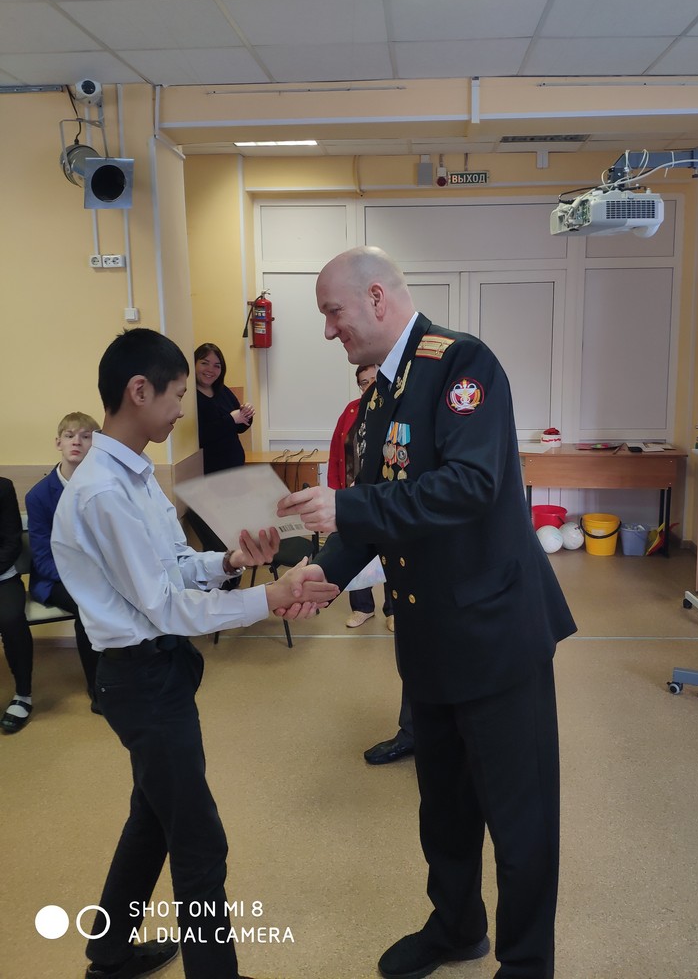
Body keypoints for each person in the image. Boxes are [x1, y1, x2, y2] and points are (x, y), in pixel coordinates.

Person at [278, 246, 576, 979]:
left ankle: (527, 963)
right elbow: (375, 514)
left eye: (333, 312)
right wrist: (321, 573)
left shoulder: (462, 365)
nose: (329, 330)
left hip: (495, 635)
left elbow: (470, 485)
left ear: (377, 298)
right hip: (431, 639)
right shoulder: (381, 396)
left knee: (519, 817)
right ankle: (456, 927)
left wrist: (347, 506)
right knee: (443, 808)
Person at [52, 328, 337, 979]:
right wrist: (268, 598)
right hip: (139, 679)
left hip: (159, 670)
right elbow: (166, 607)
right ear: (139, 390)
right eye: (178, 394)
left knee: (153, 819)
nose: (183, 408)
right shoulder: (102, 492)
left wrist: (230, 561)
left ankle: (108, 954)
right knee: (199, 842)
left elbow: (176, 565)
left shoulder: (135, 474)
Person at [25, 411, 102, 713]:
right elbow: (42, 558)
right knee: (88, 606)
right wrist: (83, 578)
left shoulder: (104, 486)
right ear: (58, 442)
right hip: (55, 579)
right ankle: (98, 688)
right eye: (70, 436)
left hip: (99, 573)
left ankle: (130, 675)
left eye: (85, 436)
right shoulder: (39, 496)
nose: (77, 442)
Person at [328, 363, 395, 630]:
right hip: (352, 494)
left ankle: (393, 608)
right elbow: (336, 450)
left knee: (391, 548)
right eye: (364, 382)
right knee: (355, 547)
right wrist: (336, 491)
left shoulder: (395, 406)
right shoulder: (351, 410)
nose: (370, 386)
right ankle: (362, 607)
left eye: (374, 380)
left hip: (384, 495)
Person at [0, 478, 33, 735]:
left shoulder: (3, 487)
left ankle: (23, 694)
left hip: (3, 576)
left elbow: (12, 542)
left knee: (11, 619)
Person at [195, 342, 254, 475]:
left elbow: (240, 427)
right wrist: (231, 419)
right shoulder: (189, 397)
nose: (210, 369)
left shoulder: (222, 390)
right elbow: (200, 436)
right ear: (194, 364)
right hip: (211, 472)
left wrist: (246, 414)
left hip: (235, 467)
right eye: (204, 363)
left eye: (217, 366)